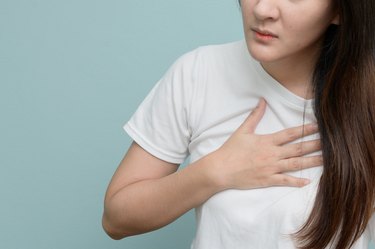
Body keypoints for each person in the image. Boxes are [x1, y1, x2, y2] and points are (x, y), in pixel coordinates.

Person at [102, 0, 375, 248]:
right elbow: (116, 219)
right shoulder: (199, 73)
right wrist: (214, 171)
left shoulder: (367, 100)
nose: (262, 9)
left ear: (339, 10)